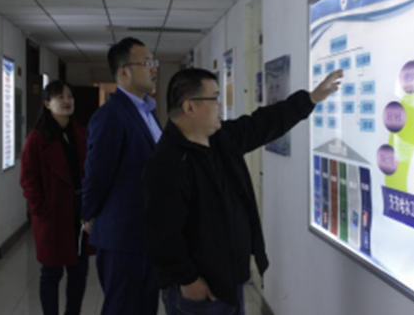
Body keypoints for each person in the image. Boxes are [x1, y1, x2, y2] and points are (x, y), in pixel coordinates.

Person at [143, 67, 343, 315]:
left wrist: (310, 99)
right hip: (199, 291)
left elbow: (263, 123)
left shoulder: (221, 139)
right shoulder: (167, 163)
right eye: (214, 98)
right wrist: (187, 279)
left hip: (231, 280)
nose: (220, 106)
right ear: (190, 107)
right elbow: (162, 234)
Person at [82, 37, 162, 315]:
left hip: (148, 234)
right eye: (147, 62)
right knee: (122, 308)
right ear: (124, 71)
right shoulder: (111, 116)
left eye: (154, 61)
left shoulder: (148, 113)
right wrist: (88, 213)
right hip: (122, 236)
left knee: (145, 307)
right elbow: (97, 173)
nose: (154, 68)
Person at [20, 80, 91, 315]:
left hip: (79, 214)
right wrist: (41, 210)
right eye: (60, 97)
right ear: (47, 103)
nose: (67, 101)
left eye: (70, 96)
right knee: (51, 273)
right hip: (53, 215)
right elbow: (28, 179)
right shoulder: (37, 138)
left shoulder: (81, 133)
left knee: (79, 272)